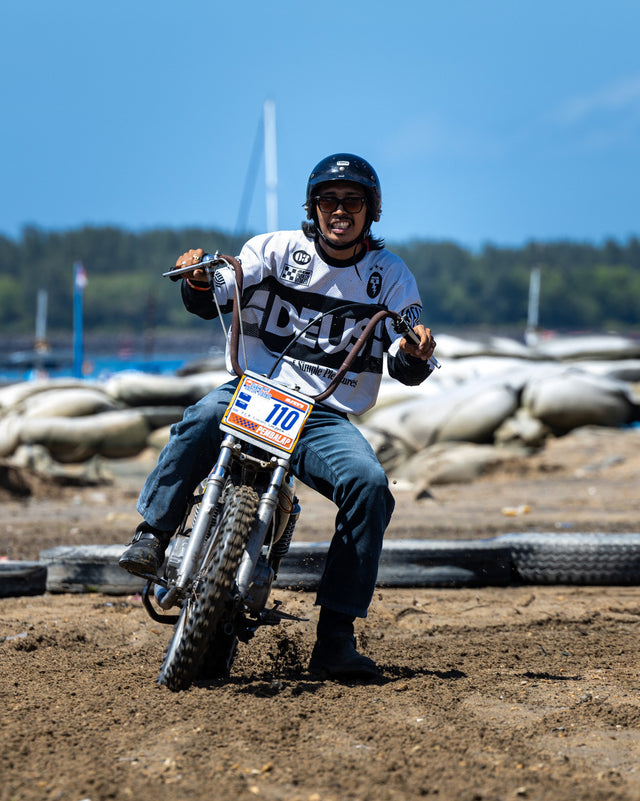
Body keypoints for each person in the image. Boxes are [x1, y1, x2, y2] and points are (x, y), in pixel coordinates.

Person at [119, 153, 437, 679]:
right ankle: (152, 534)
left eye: (353, 201)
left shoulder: (392, 276)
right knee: (200, 418)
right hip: (254, 391)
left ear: (371, 211)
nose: (340, 210)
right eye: (329, 200)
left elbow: (405, 357)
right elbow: (212, 295)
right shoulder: (273, 249)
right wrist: (197, 279)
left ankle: (336, 637)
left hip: (322, 413)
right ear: (313, 207)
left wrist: (416, 351)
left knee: (370, 485)